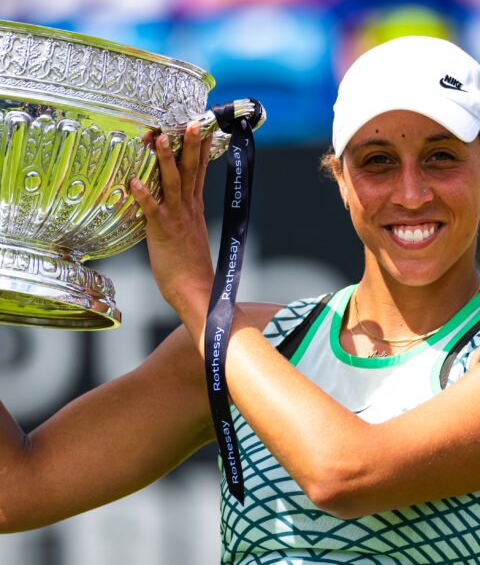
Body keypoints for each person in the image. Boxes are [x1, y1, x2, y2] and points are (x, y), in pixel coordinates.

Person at [2, 34, 480, 565]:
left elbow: (343, 473)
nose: (411, 193)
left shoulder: (226, 340)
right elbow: (13, 489)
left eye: (441, 157)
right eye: (377, 161)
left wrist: (197, 294)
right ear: (340, 179)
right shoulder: (241, 348)